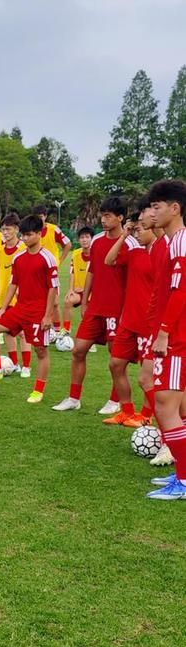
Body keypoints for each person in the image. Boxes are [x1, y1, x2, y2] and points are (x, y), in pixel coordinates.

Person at [52, 197, 133, 413]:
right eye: (102, 215)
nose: (103, 220)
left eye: (108, 216)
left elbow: (134, 280)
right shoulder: (96, 240)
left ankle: (115, 401)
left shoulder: (131, 244)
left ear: (120, 218)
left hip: (118, 310)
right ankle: (73, 398)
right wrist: (86, 300)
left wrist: (127, 310)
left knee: (116, 358)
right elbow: (92, 271)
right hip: (95, 307)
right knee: (78, 350)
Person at [0, 214, 58, 404]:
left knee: (41, 351)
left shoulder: (48, 258)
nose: (25, 238)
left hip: (38, 313)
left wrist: (48, 316)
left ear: (39, 234)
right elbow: (13, 283)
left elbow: (54, 288)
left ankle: (38, 391)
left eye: (29, 235)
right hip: (19, 309)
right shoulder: (19, 257)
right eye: (23, 235)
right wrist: (3, 308)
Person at [144, 179, 186, 500]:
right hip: (175, 334)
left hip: (178, 337)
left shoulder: (181, 242)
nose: (152, 211)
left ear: (175, 208)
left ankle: (184, 481)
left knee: (166, 404)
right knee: (170, 404)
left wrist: (163, 332)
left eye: (157, 206)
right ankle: (182, 474)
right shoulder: (172, 242)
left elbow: (181, 290)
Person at [103, 211, 155, 426]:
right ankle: (126, 411)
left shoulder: (163, 252)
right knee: (115, 364)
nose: (138, 232)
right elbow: (109, 260)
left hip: (149, 323)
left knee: (148, 374)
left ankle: (146, 416)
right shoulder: (135, 252)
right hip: (129, 321)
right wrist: (125, 236)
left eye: (141, 228)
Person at [135, 197, 173, 466]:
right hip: (155, 325)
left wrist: (164, 330)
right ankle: (169, 437)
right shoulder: (157, 246)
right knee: (153, 384)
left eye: (150, 209)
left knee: (156, 385)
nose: (144, 216)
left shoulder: (174, 243)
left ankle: (170, 439)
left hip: (169, 330)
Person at [0, 213, 32, 377]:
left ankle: (27, 366)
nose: (5, 233)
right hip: (4, 298)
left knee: (23, 332)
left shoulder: (24, 249)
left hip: (22, 299)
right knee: (7, 332)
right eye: (2, 230)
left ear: (16, 229)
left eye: (8, 229)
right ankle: (14, 363)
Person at [31, 204, 71, 333]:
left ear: (45, 216)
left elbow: (68, 244)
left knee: (54, 303)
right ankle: (37, 327)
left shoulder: (54, 230)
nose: (39, 219)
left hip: (50, 271)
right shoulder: (30, 231)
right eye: (37, 217)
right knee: (36, 302)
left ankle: (57, 330)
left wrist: (59, 260)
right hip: (35, 272)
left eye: (41, 216)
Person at [63, 226, 94, 337]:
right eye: (82, 237)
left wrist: (86, 289)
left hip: (92, 292)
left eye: (87, 237)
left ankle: (89, 337)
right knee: (68, 300)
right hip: (78, 291)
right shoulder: (75, 254)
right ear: (78, 240)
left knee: (86, 312)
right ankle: (66, 331)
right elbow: (72, 273)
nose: (84, 240)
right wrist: (70, 290)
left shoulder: (97, 254)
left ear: (92, 239)